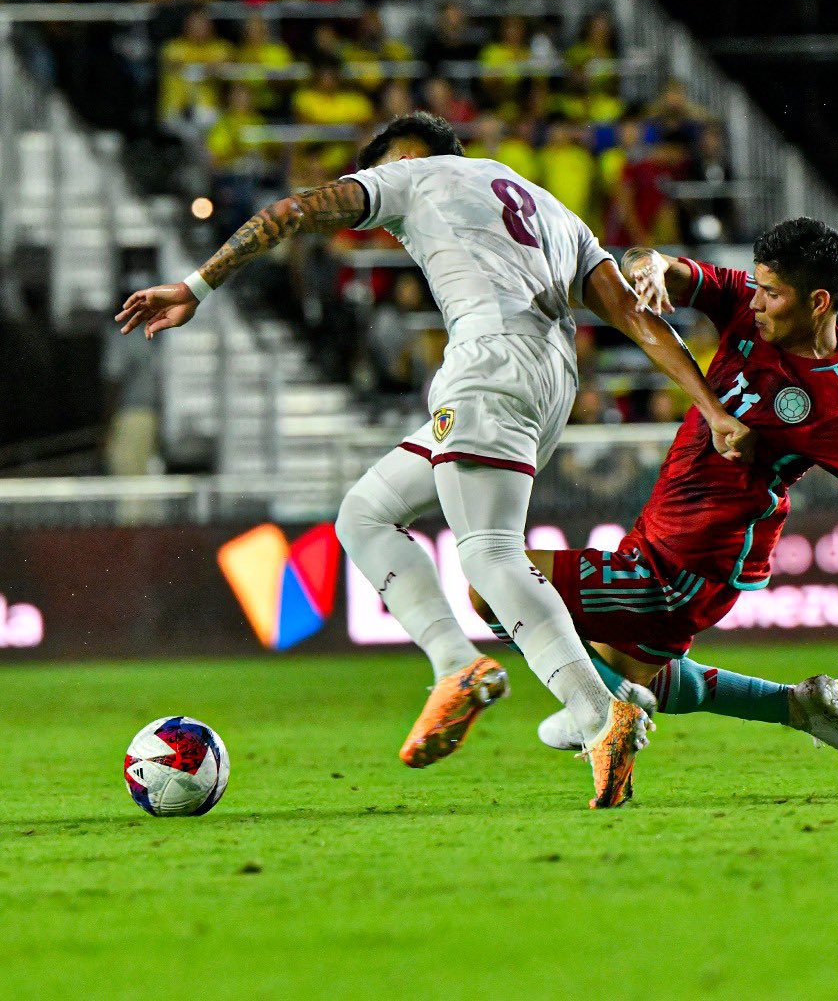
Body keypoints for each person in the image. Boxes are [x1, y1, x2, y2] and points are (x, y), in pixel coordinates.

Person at [115, 112, 755, 809]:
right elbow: (634, 316)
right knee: (364, 514)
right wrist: (710, 405)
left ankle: (601, 714)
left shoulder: (414, 176)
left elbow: (289, 212)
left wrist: (196, 288)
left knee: (488, 555)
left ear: (407, 157)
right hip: (549, 381)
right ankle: (456, 664)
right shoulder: (545, 204)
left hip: (487, 367)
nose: (384, 218)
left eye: (379, 170)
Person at [472, 220, 838, 775]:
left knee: (493, 589)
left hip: (692, 566)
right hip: (657, 539)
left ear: (818, 302)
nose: (757, 301)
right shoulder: (748, 306)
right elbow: (661, 263)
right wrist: (649, 267)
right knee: (630, 669)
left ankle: (600, 708)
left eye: (773, 294)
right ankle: (796, 706)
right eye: (758, 287)